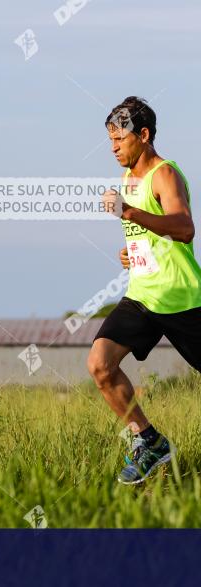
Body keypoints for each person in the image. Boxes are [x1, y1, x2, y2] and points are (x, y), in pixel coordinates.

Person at [88, 96, 200, 484]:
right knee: (100, 365)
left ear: (145, 135)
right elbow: (151, 235)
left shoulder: (164, 175)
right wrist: (132, 252)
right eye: (111, 140)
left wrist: (130, 213)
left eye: (120, 139)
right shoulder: (127, 180)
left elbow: (184, 229)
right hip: (143, 296)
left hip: (181, 299)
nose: (114, 147)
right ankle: (149, 441)